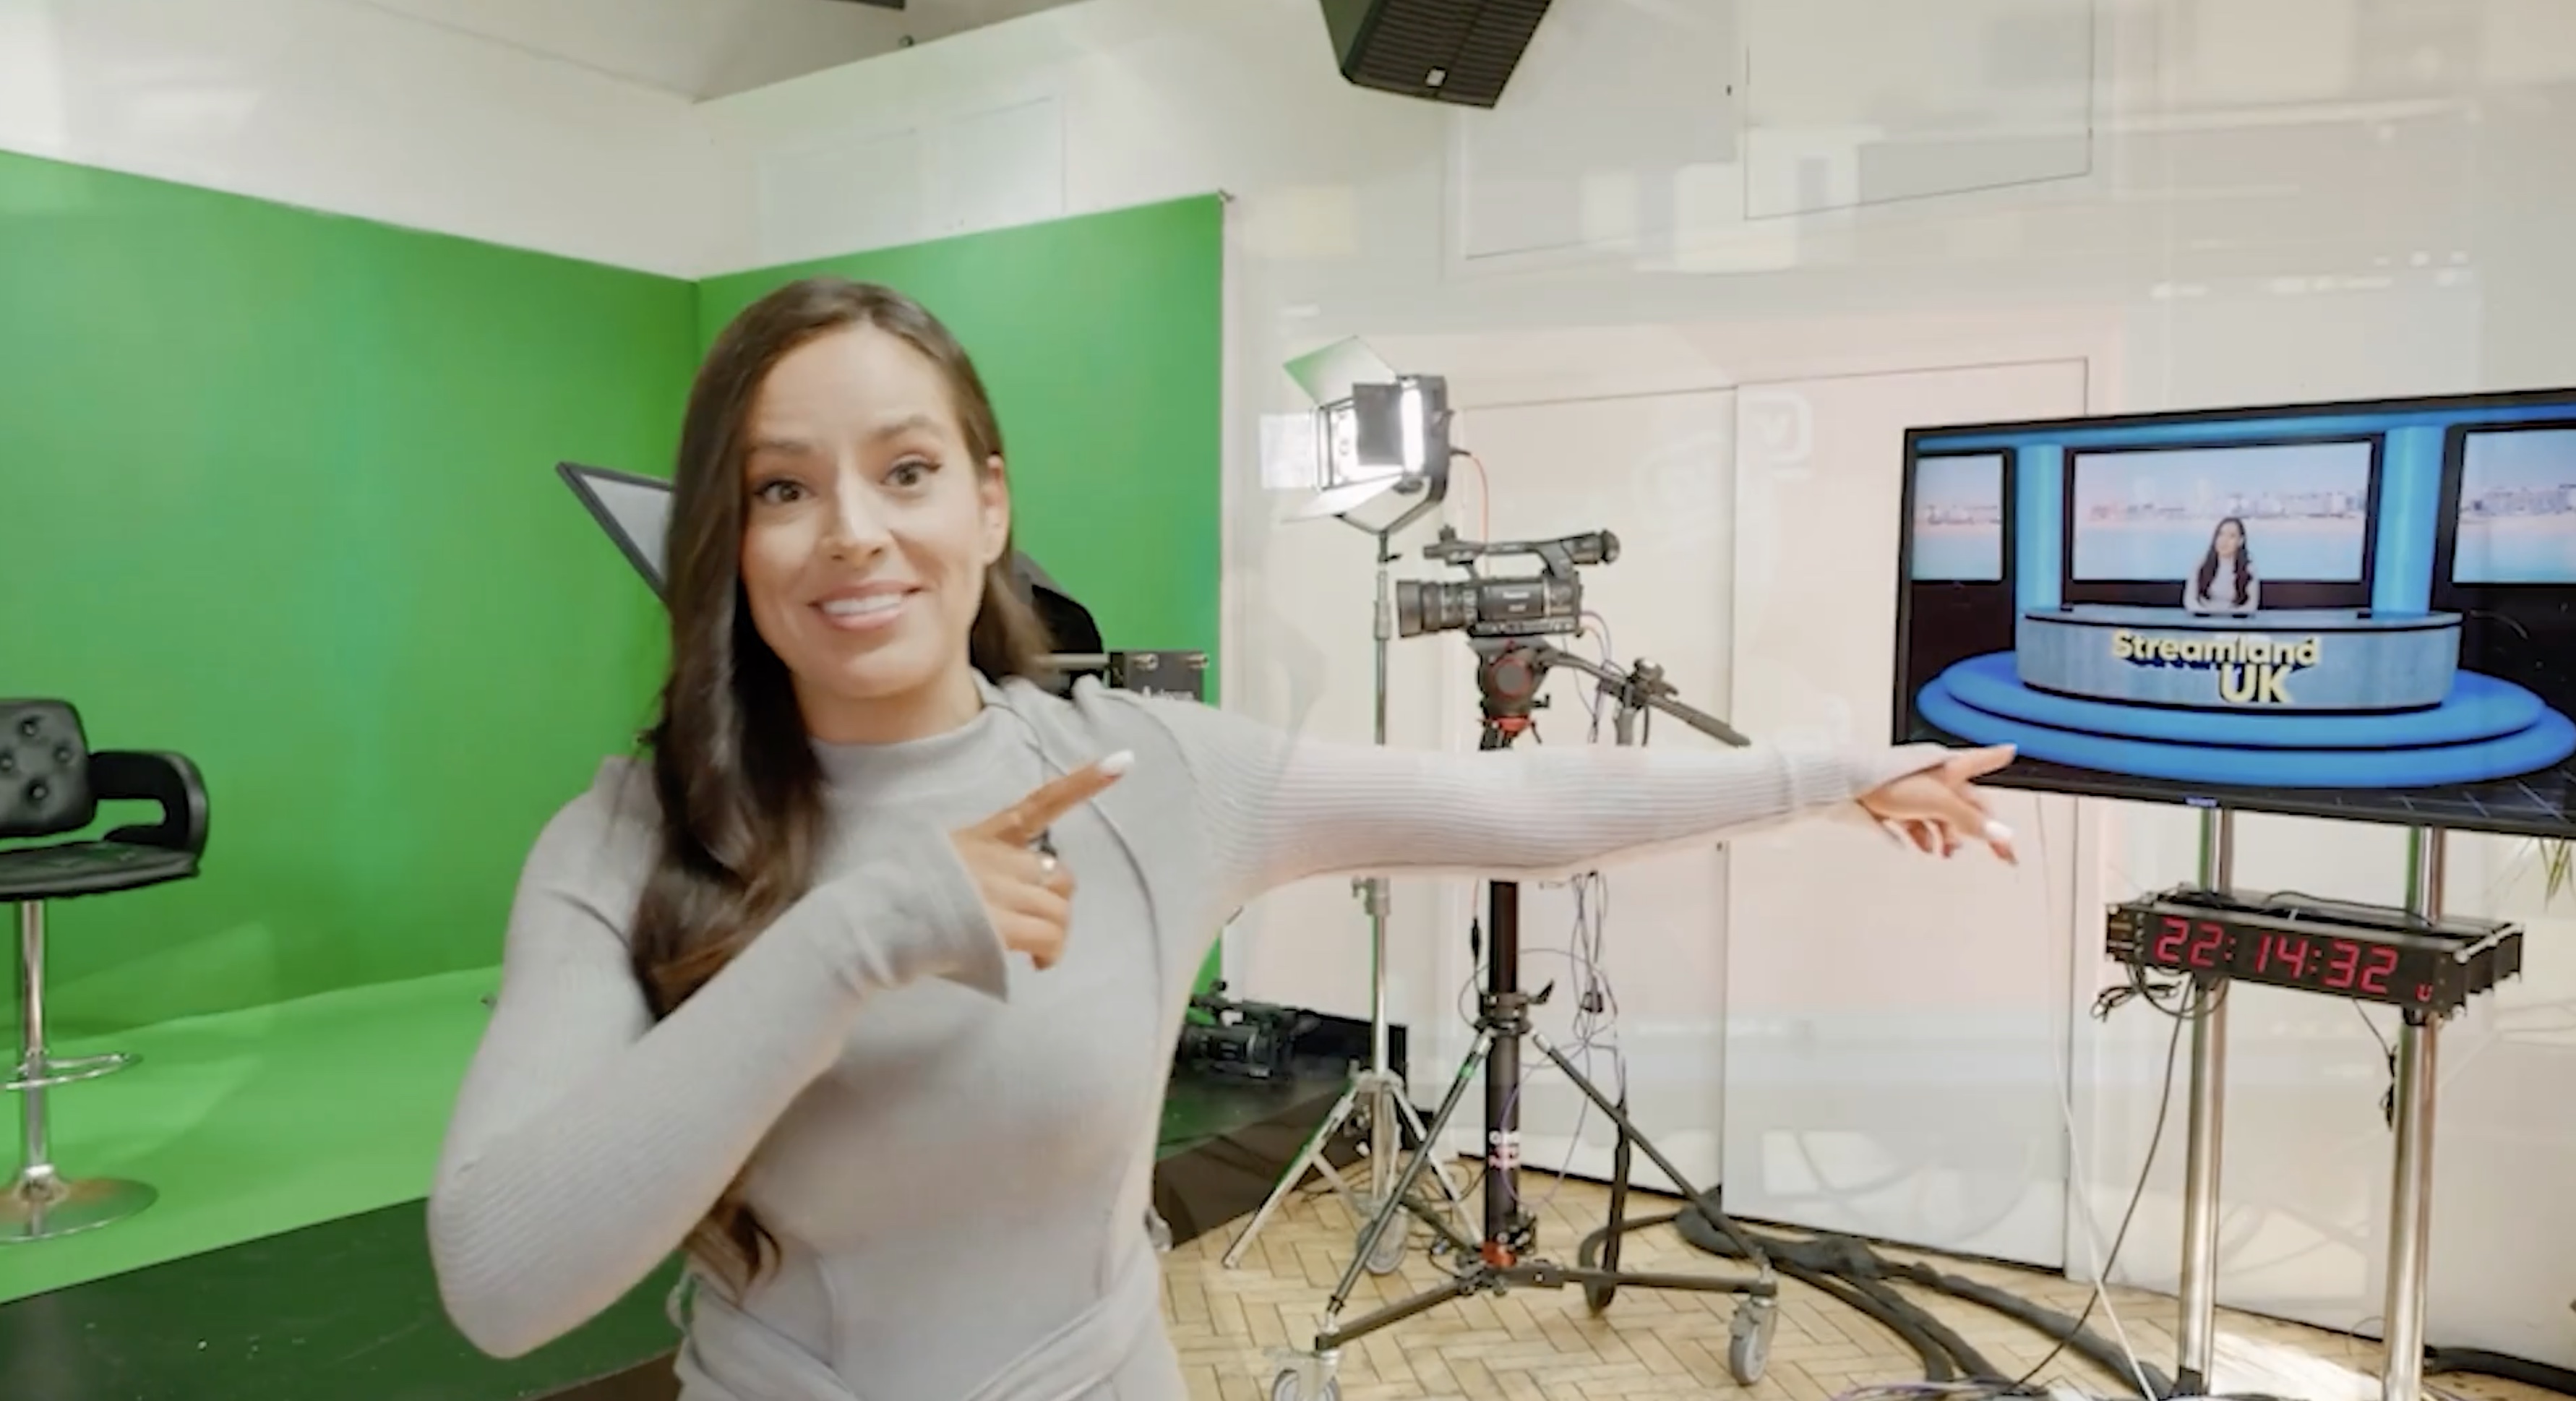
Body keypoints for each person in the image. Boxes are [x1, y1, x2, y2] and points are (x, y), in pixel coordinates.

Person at [424, 277, 2018, 1401]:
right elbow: (500, 1285)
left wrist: (1826, 773)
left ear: (987, 506)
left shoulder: (1147, 776)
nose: (853, 530)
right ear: (728, 534)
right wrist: (850, 941)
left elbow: (1511, 809)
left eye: (906, 470)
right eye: (782, 488)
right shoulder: (627, 835)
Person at [2184, 515, 2260, 615]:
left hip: (2235, 621)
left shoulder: (2249, 569)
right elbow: (2190, 601)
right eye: (2221, 534)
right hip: (2204, 619)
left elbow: (2251, 606)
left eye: (2232, 536)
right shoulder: (2201, 564)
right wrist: (2206, 613)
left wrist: (2229, 615)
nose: (2224, 541)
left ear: (2240, 541)